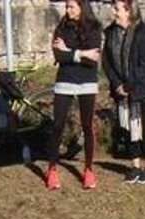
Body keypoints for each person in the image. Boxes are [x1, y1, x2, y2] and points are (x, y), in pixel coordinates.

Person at [102, 0, 145, 185]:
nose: (113, 12)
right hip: (122, 90)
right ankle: (135, 165)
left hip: (144, 88)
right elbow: (107, 62)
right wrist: (117, 83)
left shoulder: (144, 33)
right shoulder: (111, 33)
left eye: (117, 8)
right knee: (128, 128)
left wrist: (129, 85)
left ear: (128, 11)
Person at [44, 0, 103, 191]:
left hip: (87, 83)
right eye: (66, 7)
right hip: (65, 81)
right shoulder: (62, 27)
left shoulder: (94, 28)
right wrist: (81, 53)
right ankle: (52, 169)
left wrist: (69, 51)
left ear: (82, 7)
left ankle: (88, 169)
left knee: (87, 126)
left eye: (72, 7)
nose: (68, 11)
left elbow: (93, 60)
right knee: (57, 125)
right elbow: (58, 56)